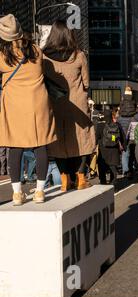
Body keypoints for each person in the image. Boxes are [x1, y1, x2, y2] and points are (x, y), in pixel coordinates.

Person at [0, 15, 56, 205]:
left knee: (15, 147)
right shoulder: (36, 51)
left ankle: (17, 194)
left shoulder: (3, 56)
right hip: (38, 103)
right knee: (41, 145)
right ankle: (40, 192)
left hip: (15, 106)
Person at [43, 20, 96, 191]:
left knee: (59, 139)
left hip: (55, 103)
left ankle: (64, 178)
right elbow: (86, 82)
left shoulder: (44, 57)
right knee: (83, 139)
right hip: (77, 103)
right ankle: (81, 178)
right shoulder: (78, 55)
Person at [96, 109, 125, 188]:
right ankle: (113, 184)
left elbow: (96, 137)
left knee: (102, 167)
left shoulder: (100, 126)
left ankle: (103, 183)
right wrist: (124, 146)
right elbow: (122, 137)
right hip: (114, 150)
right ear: (112, 116)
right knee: (113, 167)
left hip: (103, 150)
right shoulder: (117, 125)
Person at [117, 86, 137, 177]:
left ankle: (125, 170)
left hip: (122, 124)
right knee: (132, 149)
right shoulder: (133, 101)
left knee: (125, 151)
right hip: (131, 122)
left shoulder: (122, 101)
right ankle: (132, 167)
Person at [125, 106, 138, 179]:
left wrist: (126, 139)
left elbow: (128, 131)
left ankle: (130, 172)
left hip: (132, 140)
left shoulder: (131, 119)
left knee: (131, 156)